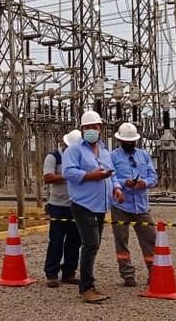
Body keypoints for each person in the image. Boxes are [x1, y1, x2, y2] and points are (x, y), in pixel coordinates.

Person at [63, 110, 124, 304]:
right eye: (87, 127)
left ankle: (88, 281)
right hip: (82, 203)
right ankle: (87, 287)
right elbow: (68, 172)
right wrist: (91, 176)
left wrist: (117, 188)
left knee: (94, 245)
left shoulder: (105, 151)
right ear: (81, 129)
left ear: (100, 128)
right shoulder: (74, 150)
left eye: (94, 127)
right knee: (90, 244)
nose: (91, 130)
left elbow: (112, 174)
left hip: (100, 205)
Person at [110, 122, 158, 287]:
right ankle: (127, 274)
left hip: (141, 206)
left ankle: (155, 272)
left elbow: (153, 176)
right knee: (121, 240)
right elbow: (111, 177)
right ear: (120, 141)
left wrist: (144, 183)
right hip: (121, 205)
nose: (130, 144)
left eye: (132, 141)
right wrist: (125, 183)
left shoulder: (143, 155)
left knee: (150, 239)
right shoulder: (113, 157)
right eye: (127, 141)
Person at [42, 130, 83, 288]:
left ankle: (69, 273)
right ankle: (51, 274)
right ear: (65, 145)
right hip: (58, 206)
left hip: (77, 204)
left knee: (75, 241)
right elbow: (48, 177)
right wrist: (70, 175)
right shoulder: (53, 157)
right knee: (56, 241)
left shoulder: (79, 157)